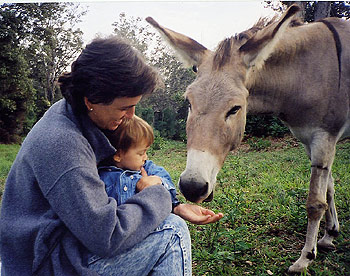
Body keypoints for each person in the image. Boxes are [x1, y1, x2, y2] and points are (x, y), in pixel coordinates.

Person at [0, 36, 223, 276]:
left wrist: (174, 206)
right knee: (173, 232)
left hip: (57, 246)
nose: (131, 115)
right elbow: (107, 236)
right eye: (124, 107)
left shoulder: (72, 114)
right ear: (91, 100)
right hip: (42, 264)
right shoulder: (63, 144)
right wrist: (157, 195)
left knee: (170, 221)